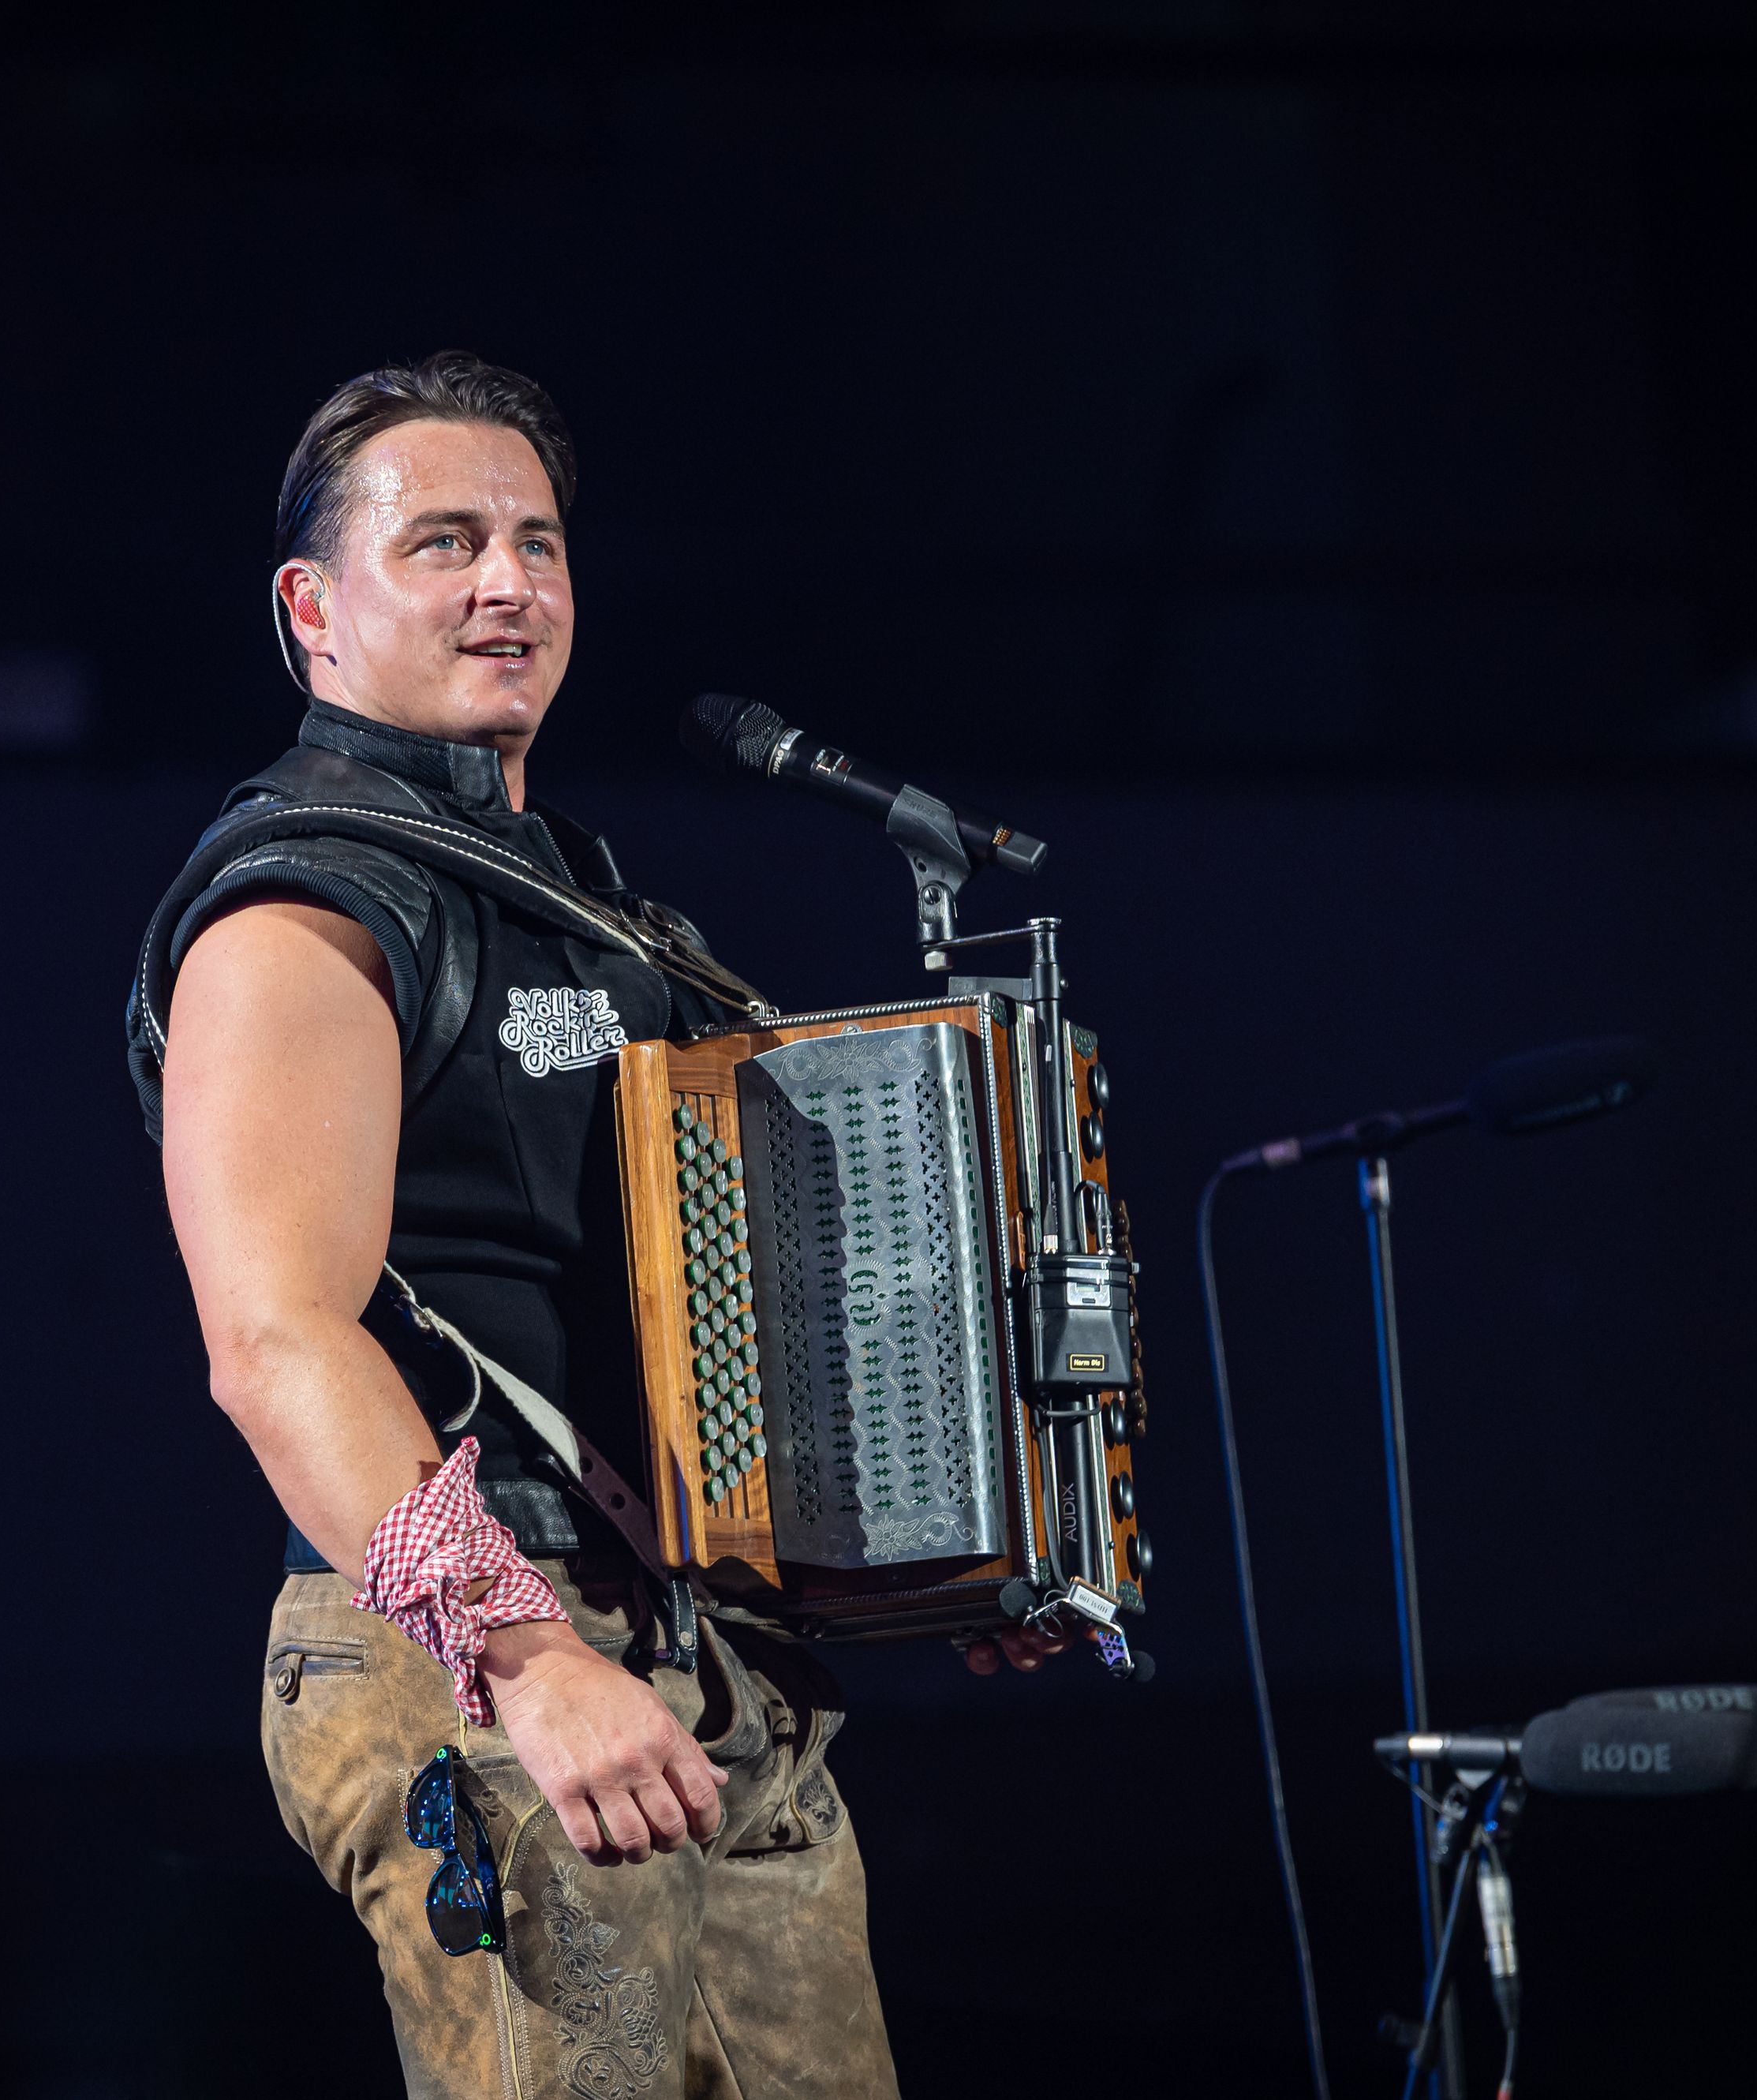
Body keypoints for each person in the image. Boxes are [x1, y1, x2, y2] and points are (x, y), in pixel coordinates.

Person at [130, 353, 1053, 2099]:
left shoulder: (584, 904)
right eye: (447, 541)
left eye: (539, 542)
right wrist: (521, 1652)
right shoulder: (298, 910)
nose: (509, 583)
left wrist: (925, 1550)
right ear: (310, 609)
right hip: (478, 1647)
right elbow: (273, 1343)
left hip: (702, 1652)